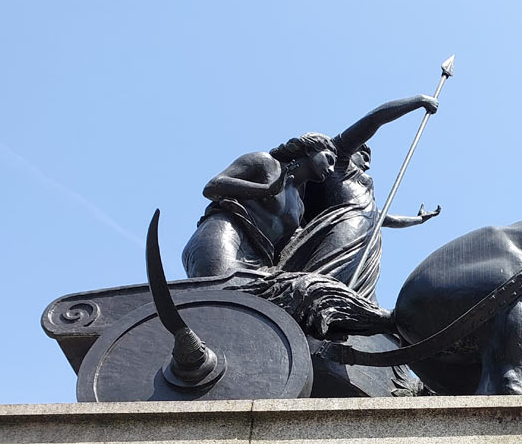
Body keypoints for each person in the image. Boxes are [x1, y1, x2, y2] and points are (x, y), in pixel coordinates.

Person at [276, 95, 441, 301]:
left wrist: (417, 220)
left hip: (367, 244)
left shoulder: (358, 185)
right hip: (342, 232)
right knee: (321, 289)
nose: (368, 164)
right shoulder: (336, 158)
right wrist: (418, 101)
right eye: (364, 155)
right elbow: (374, 120)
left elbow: (382, 218)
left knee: (359, 303)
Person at [181, 134, 337, 278]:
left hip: (260, 259)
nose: (331, 170)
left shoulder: (299, 205)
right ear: (310, 150)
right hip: (228, 236)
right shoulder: (265, 162)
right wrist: (265, 190)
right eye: (329, 160)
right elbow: (212, 188)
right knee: (222, 293)